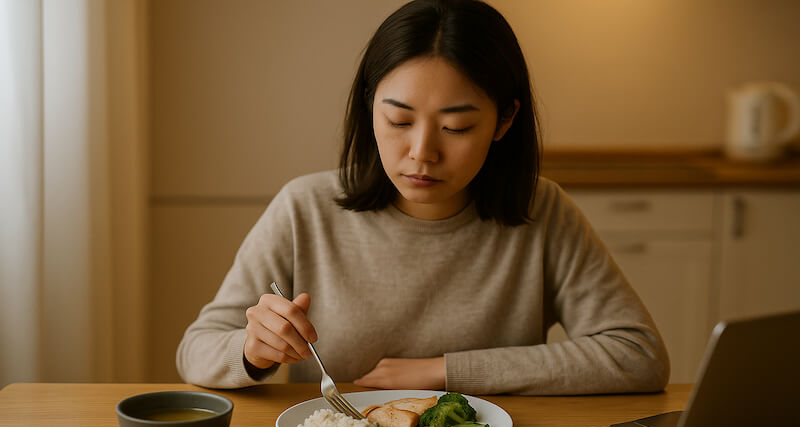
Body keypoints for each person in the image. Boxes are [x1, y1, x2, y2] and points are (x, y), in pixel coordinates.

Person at [176, 0, 669, 395]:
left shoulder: (543, 210)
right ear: (370, 107)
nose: (422, 153)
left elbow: (638, 356)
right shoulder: (305, 208)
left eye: (457, 127)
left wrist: (445, 372)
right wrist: (252, 350)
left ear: (504, 121)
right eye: (399, 121)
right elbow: (195, 351)